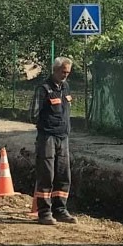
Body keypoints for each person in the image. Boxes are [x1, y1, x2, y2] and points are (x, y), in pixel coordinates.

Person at [30, 56, 77, 225]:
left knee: (63, 174)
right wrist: (46, 128)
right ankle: (44, 213)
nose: (65, 75)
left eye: (68, 72)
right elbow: (33, 114)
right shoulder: (43, 89)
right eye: (63, 72)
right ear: (55, 70)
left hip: (63, 138)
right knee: (46, 174)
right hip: (47, 137)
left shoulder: (66, 87)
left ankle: (60, 210)